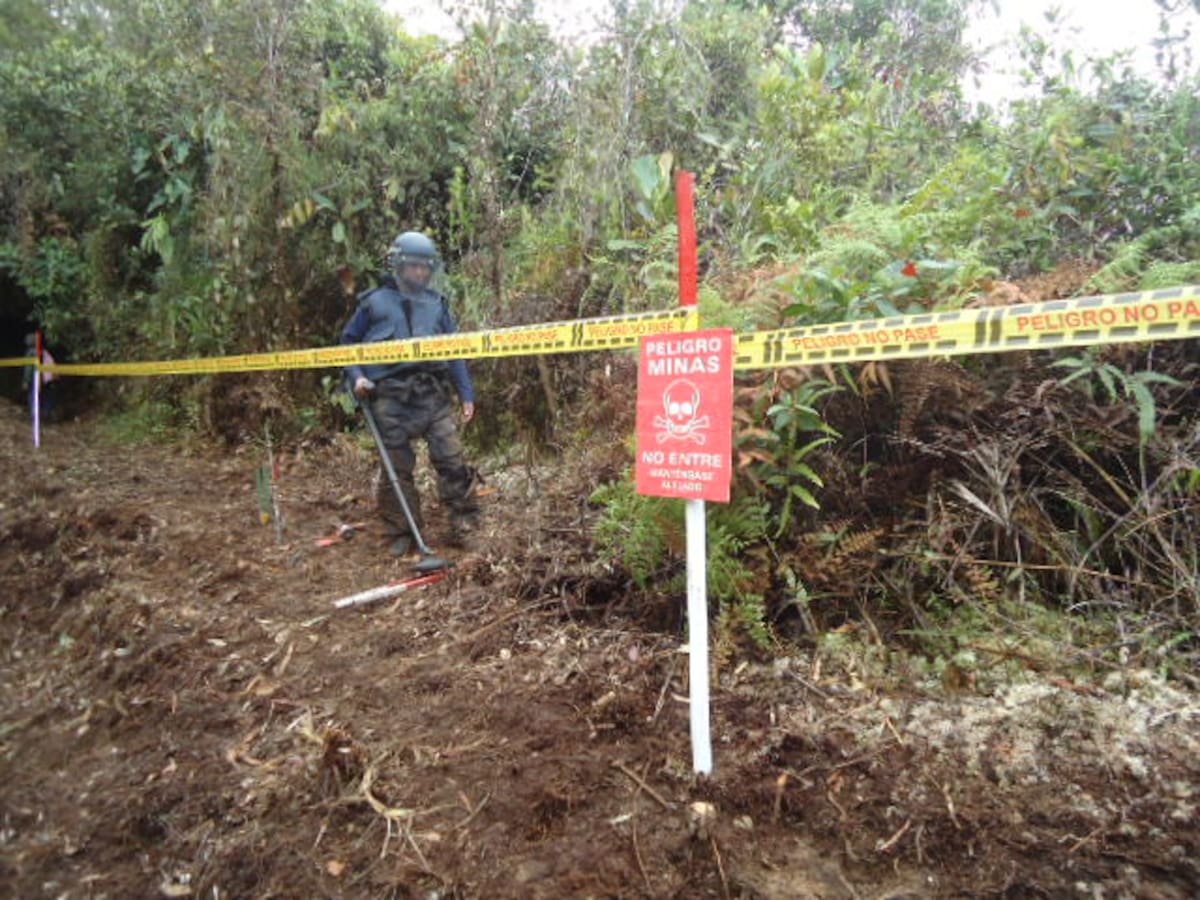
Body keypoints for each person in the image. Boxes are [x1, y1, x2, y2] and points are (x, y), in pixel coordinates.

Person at [340, 231, 480, 556]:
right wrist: (358, 378)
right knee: (396, 468)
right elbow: (347, 344)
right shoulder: (373, 302)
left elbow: (455, 349)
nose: (421, 273)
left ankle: (465, 522)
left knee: (451, 458)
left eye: (426, 267)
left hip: (432, 394)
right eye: (414, 266)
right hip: (388, 397)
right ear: (399, 266)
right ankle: (401, 531)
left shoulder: (437, 304)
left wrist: (466, 393)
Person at [23, 333, 58, 422]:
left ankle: (35, 414)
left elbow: (28, 368)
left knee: (33, 395)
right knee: (46, 396)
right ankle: (46, 413)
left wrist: (26, 381)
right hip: (48, 379)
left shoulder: (30, 353)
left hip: (35, 378)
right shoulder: (45, 352)